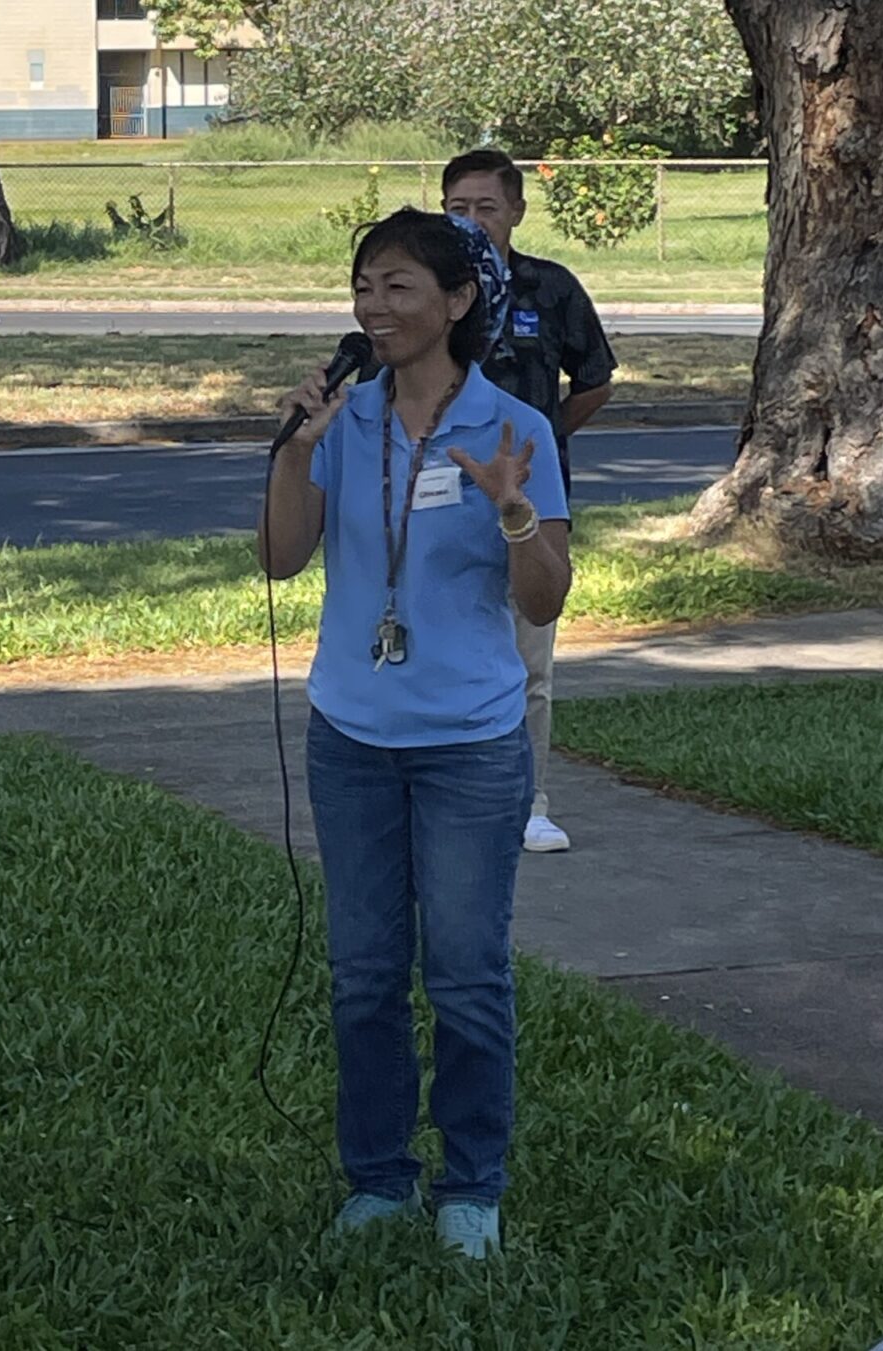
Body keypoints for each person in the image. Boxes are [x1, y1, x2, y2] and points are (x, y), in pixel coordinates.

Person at [258, 209, 571, 1257]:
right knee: (363, 971)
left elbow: (544, 601)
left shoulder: (509, 426)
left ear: (457, 300)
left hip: (471, 744)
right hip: (351, 734)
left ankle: (471, 1183)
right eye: (362, 286)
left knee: (469, 972)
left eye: (398, 287)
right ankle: (381, 1177)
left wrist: (515, 516)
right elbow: (279, 559)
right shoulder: (342, 421)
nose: (374, 308)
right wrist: (296, 452)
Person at [442, 148, 617, 854]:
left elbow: (596, 379)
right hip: (444, 492)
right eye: (459, 208)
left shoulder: (551, 289)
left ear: (516, 210)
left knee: (529, 659)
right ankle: (450, 789)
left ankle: (529, 798)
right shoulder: (435, 292)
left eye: (487, 207)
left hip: (532, 501)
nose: (474, 220)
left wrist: (542, 442)